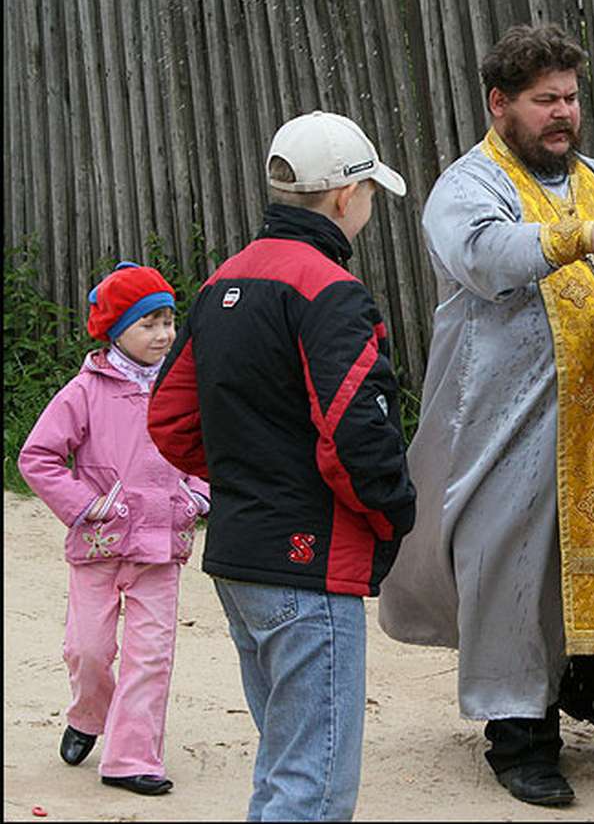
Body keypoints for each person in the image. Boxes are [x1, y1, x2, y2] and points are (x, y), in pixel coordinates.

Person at [378, 23, 594, 807]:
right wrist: (583, 237)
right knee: (512, 568)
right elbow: (486, 256)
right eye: (545, 100)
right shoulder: (467, 186)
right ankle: (518, 735)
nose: (563, 114)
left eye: (571, 98)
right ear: (500, 103)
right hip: (506, 424)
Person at [147, 110, 417, 821]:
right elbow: (357, 438)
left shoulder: (221, 282)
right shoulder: (331, 290)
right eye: (368, 192)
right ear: (345, 196)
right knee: (312, 788)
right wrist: (394, 515)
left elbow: (169, 419)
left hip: (240, 552)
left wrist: (250, 473)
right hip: (308, 560)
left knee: (282, 770)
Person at [19, 262, 210, 797]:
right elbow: (38, 456)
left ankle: (131, 758)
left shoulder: (183, 388)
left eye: (168, 321)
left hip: (161, 544)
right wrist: (86, 505)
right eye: (148, 323)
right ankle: (87, 714)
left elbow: (209, 447)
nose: (163, 334)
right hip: (99, 543)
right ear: (116, 329)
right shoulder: (84, 392)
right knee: (88, 649)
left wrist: (197, 494)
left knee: (151, 655)